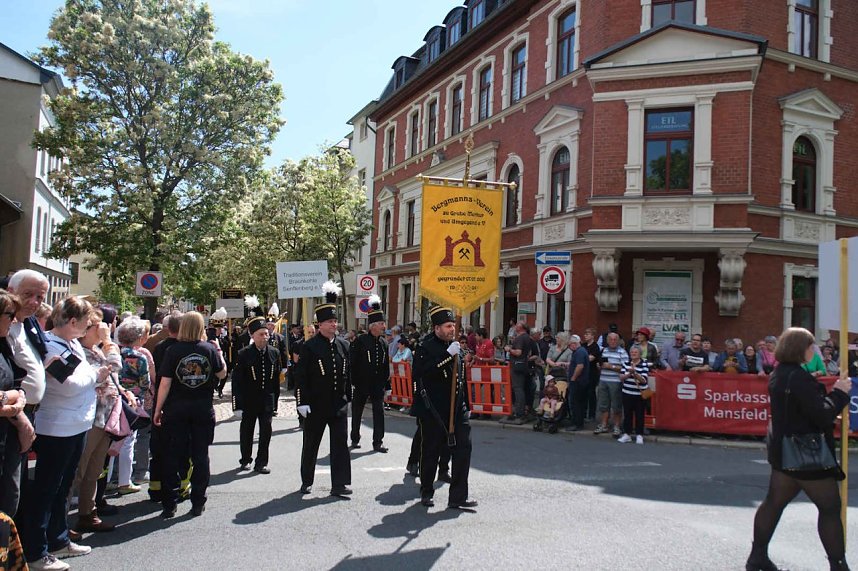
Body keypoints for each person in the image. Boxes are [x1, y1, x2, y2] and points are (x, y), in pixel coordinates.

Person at [746, 327, 851, 571]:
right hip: (807, 454)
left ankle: (757, 556)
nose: (813, 350)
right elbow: (823, 414)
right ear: (799, 349)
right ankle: (839, 565)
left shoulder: (780, 373)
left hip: (784, 451)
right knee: (830, 508)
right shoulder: (799, 378)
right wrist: (839, 393)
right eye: (810, 346)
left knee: (773, 503)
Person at [24, 296, 107, 570]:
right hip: (57, 426)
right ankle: (37, 551)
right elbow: (68, 384)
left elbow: (79, 379)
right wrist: (96, 376)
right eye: (87, 322)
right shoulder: (48, 345)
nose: (89, 326)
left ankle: (58, 539)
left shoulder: (72, 344)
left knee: (63, 488)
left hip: (77, 424)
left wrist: (91, 376)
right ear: (73, 321)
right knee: (47, 489)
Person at [153, 311, 226, 519]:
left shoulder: (173, 350)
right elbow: (222, 373)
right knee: (200, 456)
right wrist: (217, 353)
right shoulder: (208, 349)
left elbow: (165, 382)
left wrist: (158, 409)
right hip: (202, 409)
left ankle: (170, 504)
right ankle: (198, 501)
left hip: (176, 409)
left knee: (172, 456)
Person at [411, 306, 476, 510]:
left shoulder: (456, 346)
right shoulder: (425, 347)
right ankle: (427, 490)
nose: (452, 329)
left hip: (457, 409)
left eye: (453, 325)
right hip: (433, 410)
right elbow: (423, 374)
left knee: (463, 449)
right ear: (437, 327)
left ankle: (458, 496)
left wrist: (467, 405)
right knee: (430, 451)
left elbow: (461, 379)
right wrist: (448, 355)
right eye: (448, 326)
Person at [73, 308, 128, 535]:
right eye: (98, 325)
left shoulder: (95, 350)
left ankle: (88, 513)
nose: (103, 328)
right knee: (78, 470)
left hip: (104, 417)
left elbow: (112, 376)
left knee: (94, 469)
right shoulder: (81, 351)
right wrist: (108, 341)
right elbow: (114, 367)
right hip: (89, 418)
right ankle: (58, 523)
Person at [295, 282, 352, 496]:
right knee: (311, 444)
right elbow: (301, 377)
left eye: (335, 321)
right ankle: (307, 480)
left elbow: (348, 374)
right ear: (319, 324)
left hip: (338, 404)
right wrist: (301, 402)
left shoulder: (344, 345)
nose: (334, 325)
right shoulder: (309, 346)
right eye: (329, 321)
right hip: (316, 404)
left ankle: (340, 484)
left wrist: (349, 398)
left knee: (339, 445)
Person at [232, 317, 281, 474]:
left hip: (267, 399)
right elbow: (237, 382)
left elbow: (275, 380)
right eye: (261, 334)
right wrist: (237, 405)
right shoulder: (244, 354)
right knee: (247, 431)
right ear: (252, 336)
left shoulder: (274, 353)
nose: (265, 337)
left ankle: (261, 462)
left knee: (266, 431)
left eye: (266, 334)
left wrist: (275, 402)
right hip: (249, 399)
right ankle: (245, 459)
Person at [0, 290, 32, 518]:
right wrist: (8, 397)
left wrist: (19, 415)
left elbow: (15, 382)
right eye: (10, 315)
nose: (14, 320)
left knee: (10, 499)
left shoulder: (3, 344)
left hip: (7, 436)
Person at [349, 295, 390, 453]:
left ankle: (378, 442)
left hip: (377, 384)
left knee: (379, 413)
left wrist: (387, 385)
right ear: (373, 326)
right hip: (361, 383)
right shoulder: (360, 341)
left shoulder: (384, 343)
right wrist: (353, 382)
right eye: (381, 323)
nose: (383, 326)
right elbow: (353, 363)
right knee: (357, 411)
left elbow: (386, 365)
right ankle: (354, 437)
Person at [594, 333, 627, 437]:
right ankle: (604, 424)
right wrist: (599, 366)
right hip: (603, 380)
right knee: (603, 404)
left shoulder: (622, 352)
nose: (613, 341)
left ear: (618, 341)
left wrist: (611, 366)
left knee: (616, 405)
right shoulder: (604, 351)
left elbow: (625, 368)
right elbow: (601, 363)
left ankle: (617, 426)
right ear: (607, 341)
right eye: (611, 339)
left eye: (615, 339)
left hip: (616, 382)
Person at [618, 346, 650, 445]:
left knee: (639, 414)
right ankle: (627, 434)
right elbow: (621, 377)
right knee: (627, 414)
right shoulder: (626, 363)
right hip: (627, 393)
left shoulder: (644, 364)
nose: (633, 354)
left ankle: (639, 434)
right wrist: (629, 374)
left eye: (635, 352)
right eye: (631, 352)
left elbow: (643, 380)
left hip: (639, 394)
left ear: (640, 354)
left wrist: (635, 373)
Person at [503, 321, 531, 425]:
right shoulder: (527, 337)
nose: (515, 326)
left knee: (517, 388)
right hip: (523, 365)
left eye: (518, 325)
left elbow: (518, 352)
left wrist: (509, 349)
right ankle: (521, 410)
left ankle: (519, 412)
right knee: (521, 388)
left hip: (517, 365)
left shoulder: (520, 338)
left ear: (521, 328)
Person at [565, 334, 590, 431]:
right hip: (582, 382)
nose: (569, 347)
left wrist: (573, 378)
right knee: (580, 403)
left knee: (576, 403)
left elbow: (580, 366)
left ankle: (577, 423)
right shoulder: (582, 351)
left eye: (570, 345)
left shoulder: (579, 352)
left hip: (578, 383)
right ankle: (578, 422)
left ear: (574, 344)